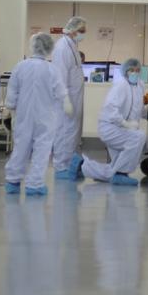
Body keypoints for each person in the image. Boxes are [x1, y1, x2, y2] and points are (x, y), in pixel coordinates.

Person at [4, 32, 68, 197]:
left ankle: (13, 181)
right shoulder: (52, 69)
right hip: (45, 117)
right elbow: (61, 93)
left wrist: (10, 108)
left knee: (21, 146)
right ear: (49, 49)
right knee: (42, 149)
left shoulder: (21, 66)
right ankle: (34, 184)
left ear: (33, 46)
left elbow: (12, 91)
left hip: (23, 115)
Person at [77, 58, 147, 186]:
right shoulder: (121, 85)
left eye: (137, 70)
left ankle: (81, 166)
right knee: (139, 137)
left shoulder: (139, 85)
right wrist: (124, 123)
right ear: (125, 71)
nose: (135, 73)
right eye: (131, 70)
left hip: (123, 129)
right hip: (111, 127)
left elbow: (138, 107)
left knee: (114, 167)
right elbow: (111, 108)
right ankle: (121, 174)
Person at [52, 16, 88, 180]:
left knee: (72, 133)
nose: (83, 34)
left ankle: (71, 165)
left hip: (74, 98)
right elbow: (60, 76)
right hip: (67, 100)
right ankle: (62, 167)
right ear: (73, 30)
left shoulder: (71, 45)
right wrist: (65, 99)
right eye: (81, 31)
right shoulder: (62, 47)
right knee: (64, 132)